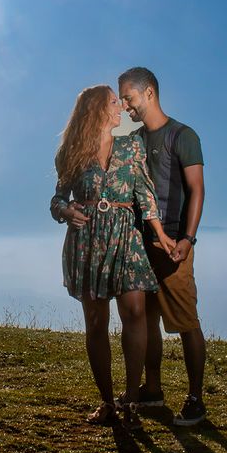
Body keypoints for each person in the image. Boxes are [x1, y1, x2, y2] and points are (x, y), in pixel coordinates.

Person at [50, 84, 175, 429]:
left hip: (126, 238)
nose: (119, 106)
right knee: (95, 323)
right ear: (96, 110)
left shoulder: (131, 145)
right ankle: (107, 403)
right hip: (87, 241)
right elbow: (56, 200)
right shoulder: (71, 152)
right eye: (112, 102)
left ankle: (132, 402)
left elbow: (145, 194)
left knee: (135, 311)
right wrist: (67, 211)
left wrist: (161, 235)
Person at [117, 67, 208, 426]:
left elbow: (197, 190)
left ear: (149, 92)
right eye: (122, 99)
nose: (125, 105)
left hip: (174, 246)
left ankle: (196, 400)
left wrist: (188, 239)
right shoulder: (135, 139)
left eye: (129, 97)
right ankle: (152, 390)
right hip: (139, 246)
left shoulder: (183, 136)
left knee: (186, 322)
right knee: (147, 321)